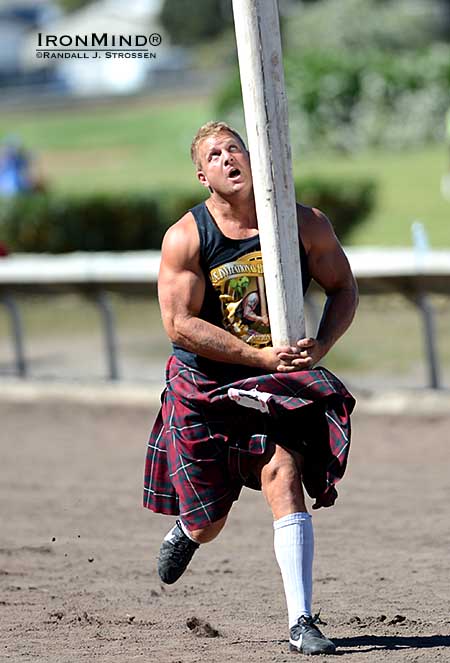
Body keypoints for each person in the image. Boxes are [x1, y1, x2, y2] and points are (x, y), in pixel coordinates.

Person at [144, 121, 358, 655]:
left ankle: (301, 621)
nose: (228, 159)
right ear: (202, 176)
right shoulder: (188, 237)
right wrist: (254, 354)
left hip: (273, 378)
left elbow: (343, 287)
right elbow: (179, 324)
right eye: (214, 156)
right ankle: (190, 531)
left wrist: (323, 344)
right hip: (206, 381)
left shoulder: (303, 223)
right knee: (211, 517)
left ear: (253, 157)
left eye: (234, 148)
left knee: (284, 475)